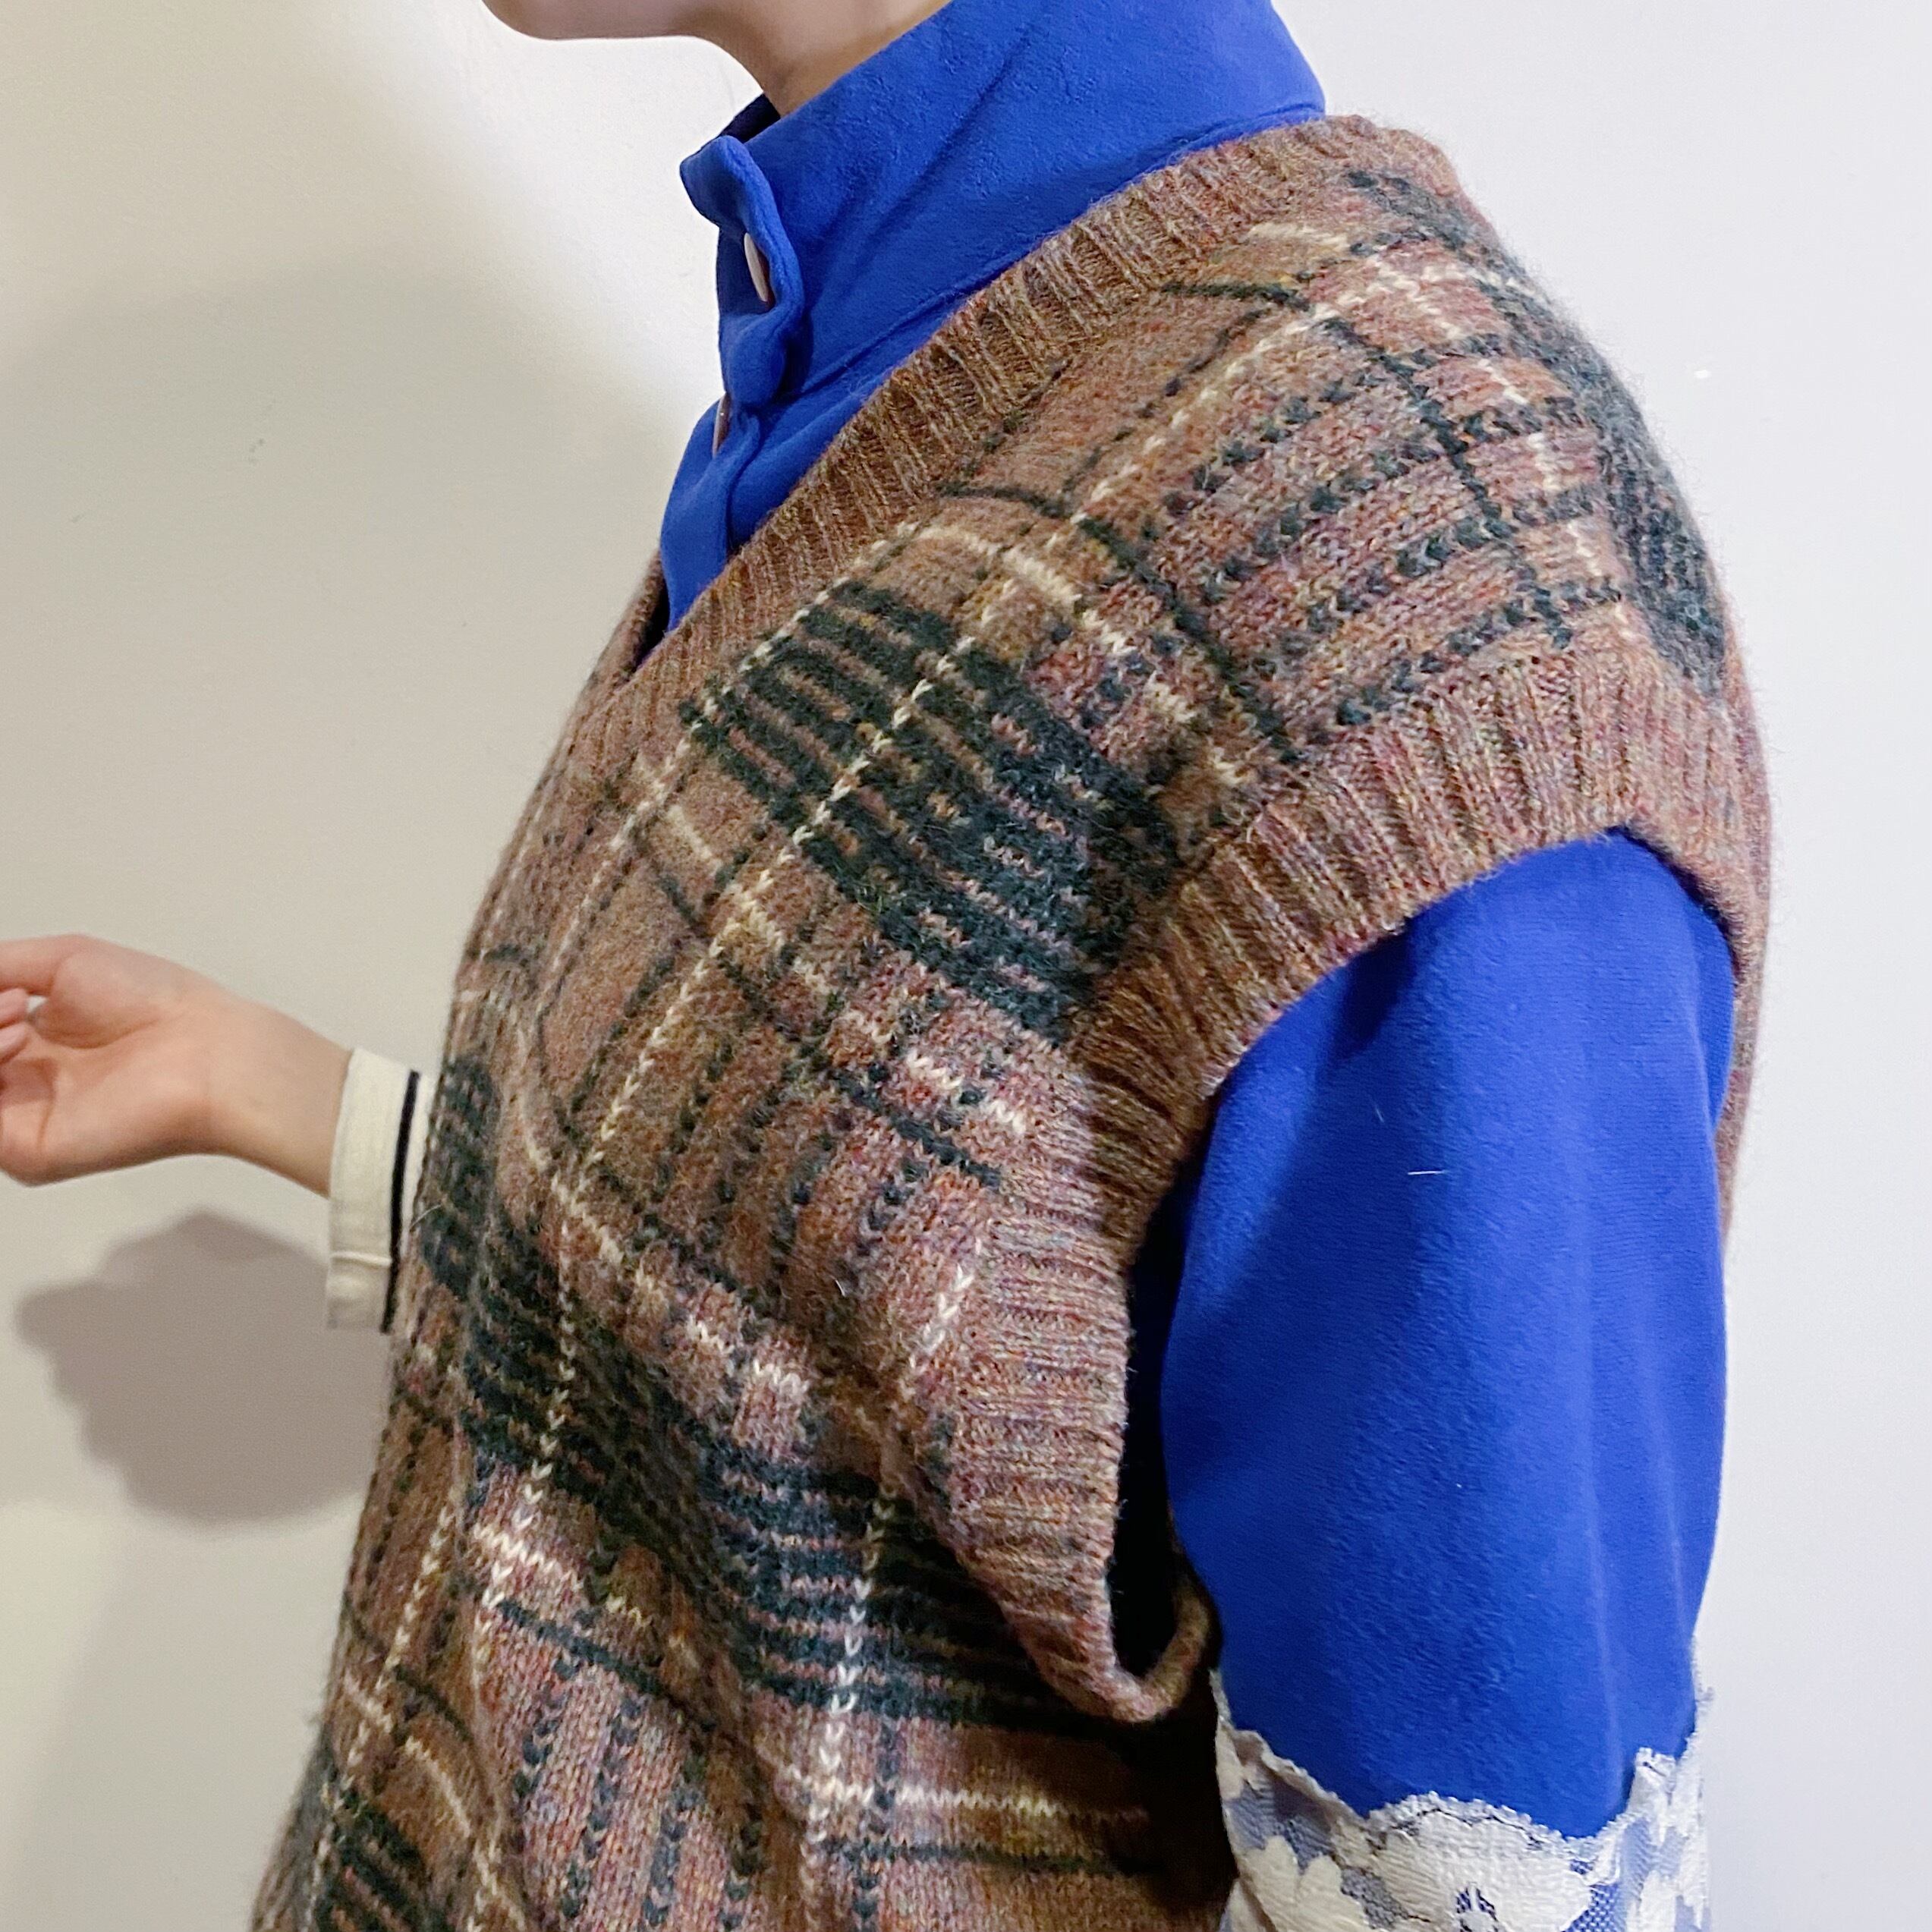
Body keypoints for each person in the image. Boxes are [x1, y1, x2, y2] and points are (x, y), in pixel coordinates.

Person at [0, 0, 1767, 1926]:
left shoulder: (1419, 594)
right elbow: (869, 1380)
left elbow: (1473, 1867)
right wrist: (304, 1104)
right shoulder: (915, 326)